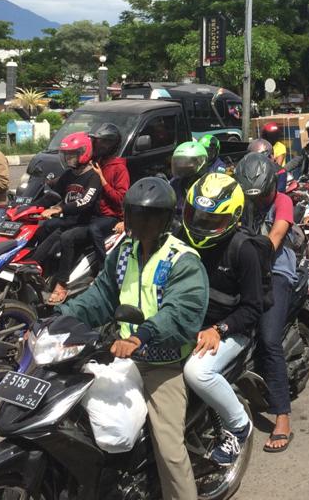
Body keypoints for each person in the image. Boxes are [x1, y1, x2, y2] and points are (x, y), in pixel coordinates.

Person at [59, 177, 208, 500]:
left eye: (149, 216)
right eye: (134, 214)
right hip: (121, 356)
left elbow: (180, 312)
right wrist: (59, 319)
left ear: (166, 219)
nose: (140, 222)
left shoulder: (181, 260)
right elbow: (99, 297)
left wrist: (142, 336)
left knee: (168, 447)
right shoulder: (123, 252)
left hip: (164, 363)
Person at [181, 173, 261, 465]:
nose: (201, 225)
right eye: (196, 215)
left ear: (234, 218)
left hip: (231, 330)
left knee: (197, 373)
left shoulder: (245, 250)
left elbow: (253, 308)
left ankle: (239, 426)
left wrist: (219, 329)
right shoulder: (180, 237)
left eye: (212, 220)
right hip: (188, 323)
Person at [235, 153, 297, 453]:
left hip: (275, 273)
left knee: (269, 340)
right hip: (242, 270)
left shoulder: (282, 201)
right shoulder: (241, 200)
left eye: (262, 196)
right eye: (252, 197)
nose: (257, 202)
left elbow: (275, 237)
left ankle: (282, 415)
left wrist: (251, 251)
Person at [29, 132, 102, 304]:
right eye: (67, 155)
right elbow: (54, 193)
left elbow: (85, 202)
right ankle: (37, 272)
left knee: (66, 237)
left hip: (86, 223)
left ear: (83, 153)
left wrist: (60, 208)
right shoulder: (69, 175)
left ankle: (62, 284)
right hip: (69, 222)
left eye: (72, 155)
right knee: (44, 228)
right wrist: (31, 207)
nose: (68, 158)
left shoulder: (93, 177)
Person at [85, 122, 130, 253]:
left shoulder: (119, 168)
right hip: (95, 213)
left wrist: (101, 178)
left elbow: (121, 200)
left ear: (112, 145)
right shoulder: (97, 163)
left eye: (103, 142)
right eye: (97, 141)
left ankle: (103, 266)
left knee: (94, 229)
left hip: (111, 216)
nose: (98, 145)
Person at [170, 141, 209, 218]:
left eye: (187, 162)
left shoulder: (208, 186)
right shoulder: (174, 183)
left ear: (201, 162)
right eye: (179, 162)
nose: (183, 165)